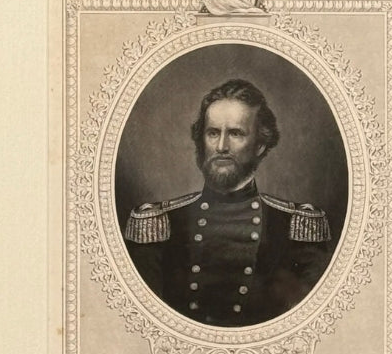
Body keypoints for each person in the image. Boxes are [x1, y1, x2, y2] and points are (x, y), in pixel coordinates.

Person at [123, 78, 333, 326]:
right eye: (213, 133)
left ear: (260, 144)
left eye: (235, 134)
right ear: (202, 140)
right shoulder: (160, 224)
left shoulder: (293, 225)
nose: (221, 146)